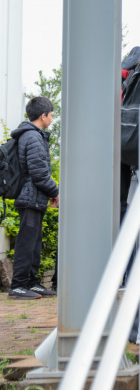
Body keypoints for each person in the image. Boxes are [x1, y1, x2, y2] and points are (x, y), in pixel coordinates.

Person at [7, 97, 59, 300]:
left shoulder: (32, 136)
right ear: (43, 115)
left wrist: (49, 192)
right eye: (52, 115)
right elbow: (39, 173)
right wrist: (55, 192)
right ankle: (18, 286)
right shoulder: (33, 137)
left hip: (34, 197)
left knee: (35, 241)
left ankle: (31, 283)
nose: (52, 119)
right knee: (27, 241)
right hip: (30, 197)